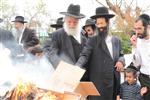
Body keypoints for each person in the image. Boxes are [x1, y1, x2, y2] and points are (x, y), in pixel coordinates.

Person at [76, 7, 125, 100]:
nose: (99, 26)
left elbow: (121, 55)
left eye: (102, 23)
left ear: (108, 23)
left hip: (113, 84)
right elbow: (84, 55)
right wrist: (77, 66)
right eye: (97, 24)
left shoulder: (116, 40)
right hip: (98, 87)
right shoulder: (92, 40)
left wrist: (121, 61)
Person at [43, 4, 87, 69]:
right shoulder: (57, 34)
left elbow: (85, 55)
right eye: (69, 22)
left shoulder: (83, 38)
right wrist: (63, 67)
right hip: (63, 73)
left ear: (78, 22)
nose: (72, 25)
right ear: (65, 20)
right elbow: (52, 54)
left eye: (75, 22)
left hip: (80, 74)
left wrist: (78, 66)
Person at [130, 14, 150, 100]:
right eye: (135, 29)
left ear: (148, 26)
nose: (137, 32)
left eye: (139, 29)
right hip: (145, 79)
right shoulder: (138, 41)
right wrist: (134, 46)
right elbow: (137, 63)